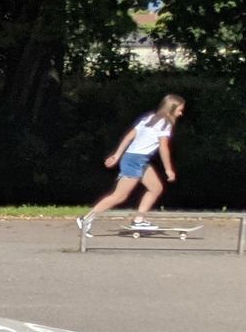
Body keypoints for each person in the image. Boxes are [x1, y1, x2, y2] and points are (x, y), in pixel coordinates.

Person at [78, 94, 185, 235]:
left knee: (155, 188)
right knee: (119, 196)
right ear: (171, 109)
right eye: (179, 110)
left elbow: (129, 136)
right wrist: (168, 169)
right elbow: (163, 147)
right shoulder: (165, 123)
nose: (181, 113)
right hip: (135, 160)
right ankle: (86, 219)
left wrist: (117, 155)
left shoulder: (150, 118)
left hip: (137, 159)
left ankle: (139, 220)